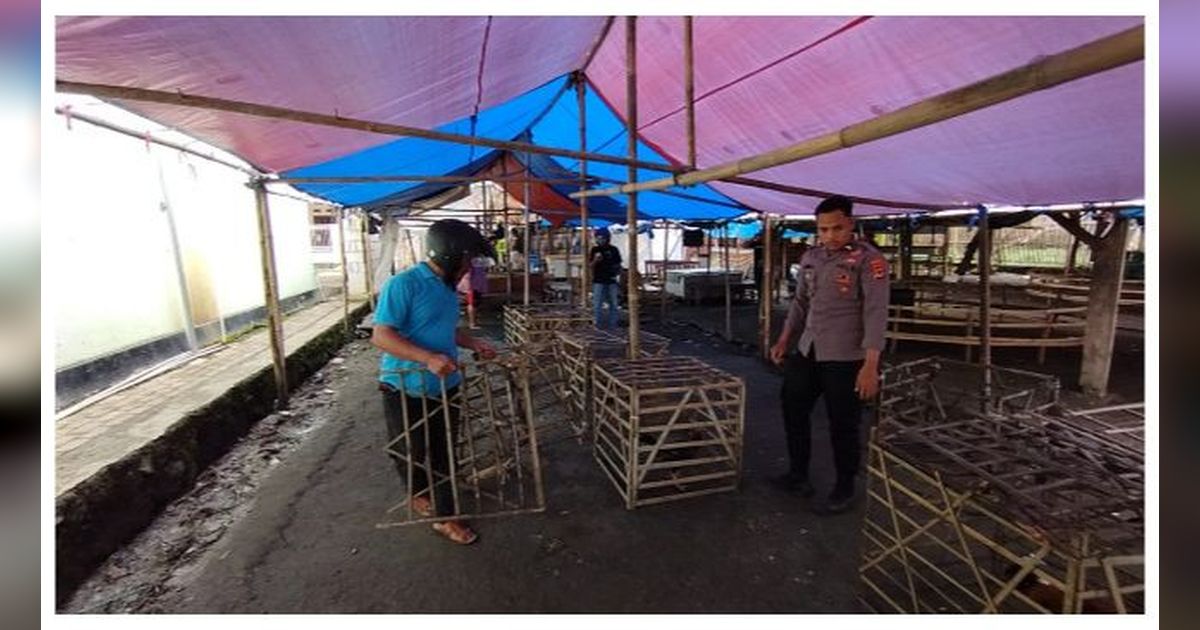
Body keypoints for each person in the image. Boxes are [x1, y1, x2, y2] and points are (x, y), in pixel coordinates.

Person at [371, 219, 498, 545]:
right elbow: (382, 335)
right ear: (450, 253)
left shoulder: (446, 289)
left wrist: (474, 344)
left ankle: (445, 515)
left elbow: (445, 330)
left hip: (444, 384)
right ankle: (417, 491)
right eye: (468, 257)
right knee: (408, 451)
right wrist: (427, 358)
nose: (470, 264)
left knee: (443, 452)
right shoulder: (404, 284)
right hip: (403, 385)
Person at [768, 195, 890, 515]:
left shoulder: (869, 260)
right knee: (792, 407)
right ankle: (798, 474)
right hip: (808, 349)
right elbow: (800, 303)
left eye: (837, 228)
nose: (830, 235)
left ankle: (845, 485)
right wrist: (784, 339)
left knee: (843, 423)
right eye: (823, 229)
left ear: (850, 223)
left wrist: (870, 366)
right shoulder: (812, 257)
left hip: (846, 356)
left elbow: (877, 314)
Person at [590, 227, 622, 329]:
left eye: (602, 238)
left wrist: (617, 273)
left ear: (607, 238)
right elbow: (590, 265)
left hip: (611, 280)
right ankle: (597, 326)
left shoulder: (614, 249)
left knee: (614, 304)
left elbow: (618, 264)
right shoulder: (595, 250)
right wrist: (595, 260)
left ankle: (613, 326)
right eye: (598, 238)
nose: (600, 240)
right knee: (597, 304)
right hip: (598, 280)